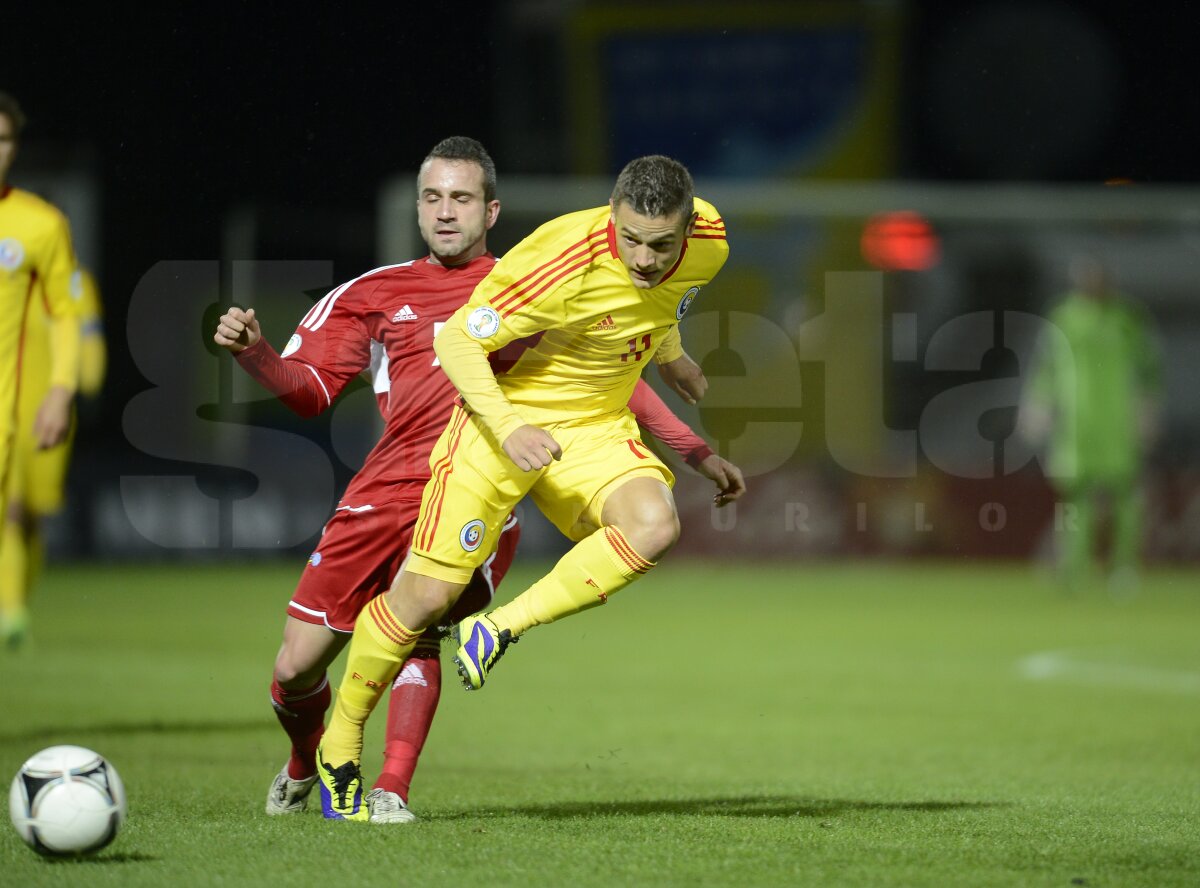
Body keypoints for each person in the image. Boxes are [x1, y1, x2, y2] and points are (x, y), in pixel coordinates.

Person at [214, 140, 743, 822]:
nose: (645, 258)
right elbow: (425, 353)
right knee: (345, 640)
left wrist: (677, 383)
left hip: (564, 439)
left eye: (460, 197)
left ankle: (452, 696)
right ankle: (324, 748)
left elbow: (640, 323)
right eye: (432, 198)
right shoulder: (537, 266)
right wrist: (257, 355)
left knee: (644, 529)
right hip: (449, 455)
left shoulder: (702, 240)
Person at [1019, 254, 1163, 593]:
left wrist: (1148, 410)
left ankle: (1123, 568)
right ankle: (1074, 568)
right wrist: (1037, 406)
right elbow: (1046, 366)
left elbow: (1148, 368)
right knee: (1075, 495)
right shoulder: (1064, 317)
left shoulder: (1127, 319)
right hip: (1075, 423)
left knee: (1124, 494)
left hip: (1118, 422)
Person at [0, 91, 82, 648]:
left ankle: (12, 612)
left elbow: (66, 315)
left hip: (7, 414)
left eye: (2, 139)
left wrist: (61, 389)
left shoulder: (39, 225)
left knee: (19, 513)